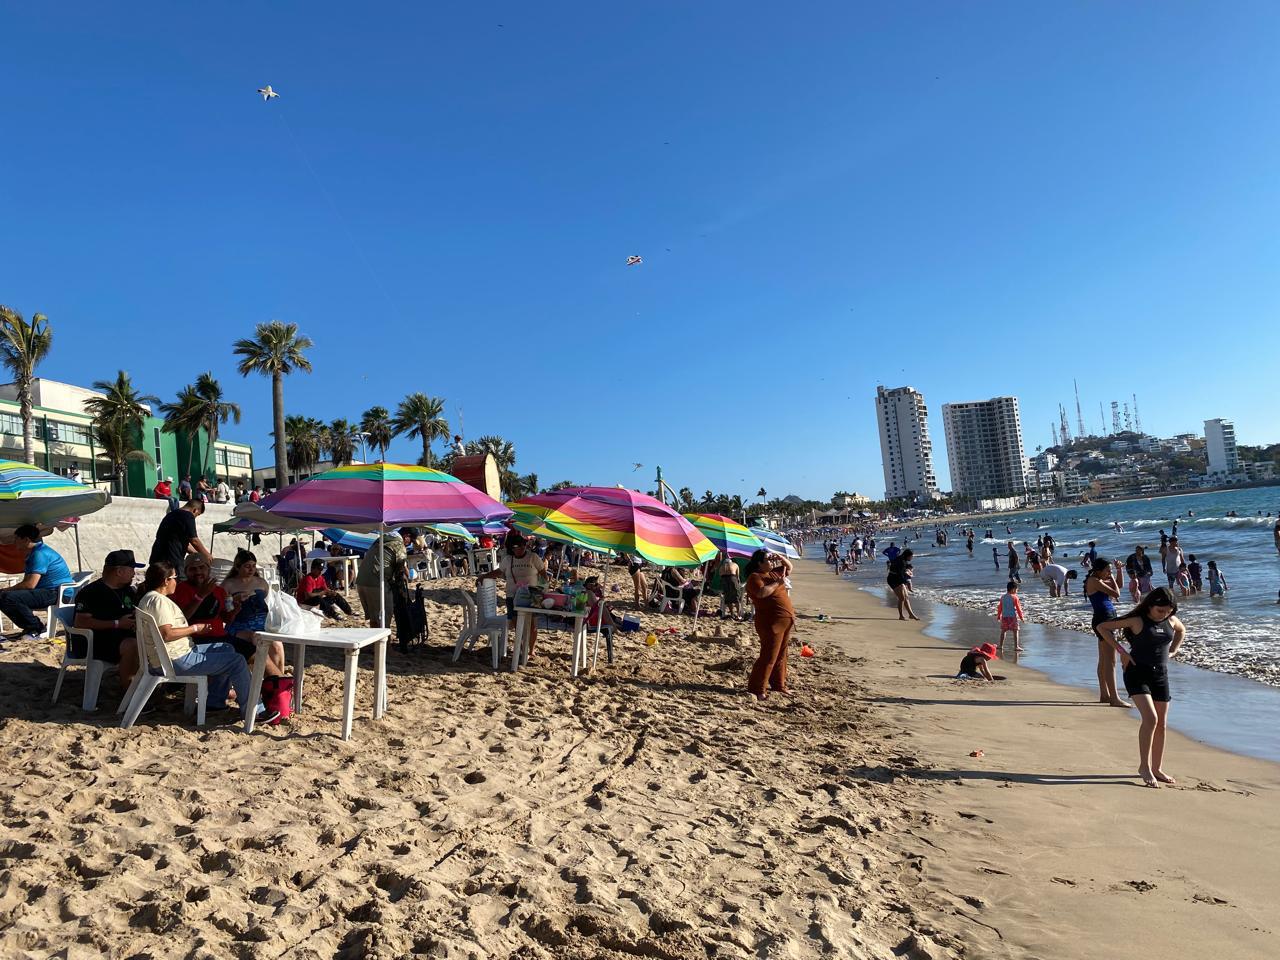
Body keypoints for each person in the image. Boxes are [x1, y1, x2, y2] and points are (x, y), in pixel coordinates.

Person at [137, 561, 276, 723]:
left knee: (226, 648)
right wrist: (196, 628)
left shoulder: (150, 598)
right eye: (174, 577)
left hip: (173, 655)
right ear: (166, 581)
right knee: (237, 661)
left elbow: (225, 617)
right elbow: (166, 634)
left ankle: (214, 702)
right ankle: (254, 711)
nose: (177, 580)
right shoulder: (159, 601)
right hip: (175, 659)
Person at [1094, 588, 1185, 788]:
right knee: (1150, 719)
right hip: (1137, 673)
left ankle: (1157, 767)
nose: (1164, 614)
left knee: (1161, 723)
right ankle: (1144, 767)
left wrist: (1173, 651)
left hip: (1160, 675)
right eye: (1160, 611)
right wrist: (1121, 652)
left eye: (1168, 611)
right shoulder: (1137, 620)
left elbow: (1181, 631)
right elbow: (1102, 627)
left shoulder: (1171, 620)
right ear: (1150, 606)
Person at [176, 553, 285, 678]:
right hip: (197, 640)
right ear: (186, 571)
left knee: (260, 653)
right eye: (193, 569)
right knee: (239, 655)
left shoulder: (217, 590)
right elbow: (182, 618)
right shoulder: (181, 589)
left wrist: (234, 611)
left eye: (202, 568)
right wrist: (200, 596)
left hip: (222, 636)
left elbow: (226, 618)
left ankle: (279, 684)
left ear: (208, 569)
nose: (198, 572)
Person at [73, 549, 144, 686]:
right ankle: (129, 692)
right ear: (119, 572)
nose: (134, 573)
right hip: (96, 641)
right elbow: (80, 622)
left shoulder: (127, 590)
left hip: (122, 635)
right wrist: (117, 623)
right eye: (132, 569)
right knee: (133, 645)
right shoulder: (91, 592)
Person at [0, 524, 74, 641]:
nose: (14, 543)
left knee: (8, 598)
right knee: (5, 597)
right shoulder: (35, 552)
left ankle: (37, 628)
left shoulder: (39, 554)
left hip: (57, 593)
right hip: (50, 591)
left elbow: (30, 584)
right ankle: (30, 628)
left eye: (16, 539)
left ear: (26, 540)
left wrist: (6, 590)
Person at [480, 533, 546, 654]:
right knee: (517, 624)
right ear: (512, 548)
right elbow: (499, 572)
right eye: (517, 546)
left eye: (523, 545)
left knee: (532, 625)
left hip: (532, 595)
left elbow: (543, 573)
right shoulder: (508, 560)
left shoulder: (533, 557)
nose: (521, 548)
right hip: (513, 595)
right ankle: (521, 647)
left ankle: (531, 650)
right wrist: (483, 577)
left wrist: (542, 589)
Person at [744, 549, 795, 700]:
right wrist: (777, 584)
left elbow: (790, 568)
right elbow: (761, 593)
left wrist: (780, 557)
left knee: (781, 655)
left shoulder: (773, 573)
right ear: (759, 563)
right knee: (769, 655)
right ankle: (757, 688)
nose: (772, 562)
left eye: (772, 560)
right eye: (768, 560)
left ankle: (779, 684)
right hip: (770, 622)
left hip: (785, 620)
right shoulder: (755, 577)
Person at [1085, 557, 1129, 708]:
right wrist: (1112, 578)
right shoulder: (1094, 581)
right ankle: (1114, 698)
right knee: (1111, 661)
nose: (1109, 573)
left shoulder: (1099, 580)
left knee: (1104, 660)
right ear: (1098, 570)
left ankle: (1104, 694)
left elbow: (1119, 586)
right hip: (1104, 620)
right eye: (1107, 570)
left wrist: (1118, 570)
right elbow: (1117, 593)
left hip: (1105, 620)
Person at [148, 500, 212, 577]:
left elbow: (181, 541)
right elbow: (194, 540)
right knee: (179, 584)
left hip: (156, 558)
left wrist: (196, 554)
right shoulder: (188, 516)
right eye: (197, 515)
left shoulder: (170, 515)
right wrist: (207, 555)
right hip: (172, 562)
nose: (195, 517)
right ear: (195, 510)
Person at [887, 548, 918, 620]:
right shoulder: (901, 562)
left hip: (897, 578)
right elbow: (901, 574)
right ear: (908, 556)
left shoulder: (902, 559)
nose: (912, 558)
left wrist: (907, 570)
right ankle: (901, 616)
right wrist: (906, 581)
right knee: (902, 598)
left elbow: (904, 568)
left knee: (906, 596)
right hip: (893, 580)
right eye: (911, 556)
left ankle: (911, 614)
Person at [994, 581, 1024, 652]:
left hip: (1004, 617)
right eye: (1016, 589)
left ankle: (1001, 646)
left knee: (1003, 631)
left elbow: (1000, 607)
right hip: (1012, 617)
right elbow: (1018, 608)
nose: (1017, 591)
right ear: (1013, 589)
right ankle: (1016, 646)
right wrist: (1021, 617)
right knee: (1015, 631)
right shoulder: (1015, 597)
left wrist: (998, 616)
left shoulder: (1003, 597)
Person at [718, 552, 742, 620]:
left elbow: (720, 576)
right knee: (736, 597)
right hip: (732, 578)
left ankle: (732, 614)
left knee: (728, 598)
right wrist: (738, 584)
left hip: (724, 579)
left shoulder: (721, 567)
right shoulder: (735, 564)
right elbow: (737, 577)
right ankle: (738, 614)